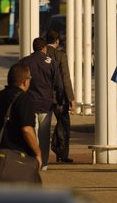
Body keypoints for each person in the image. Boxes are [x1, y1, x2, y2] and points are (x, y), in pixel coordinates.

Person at [0, 62, 42, 182]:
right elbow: (27, 130)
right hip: (20, 159)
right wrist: (38, 153)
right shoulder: (24, 99)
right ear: (25, 81)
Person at [19, 37, 64, 170]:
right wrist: (60, 102)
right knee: (44, 136)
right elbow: (59, 85)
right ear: (44, 48)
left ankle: (32, 160)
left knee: (31, 134)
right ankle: (43, 163)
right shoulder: (52, 63)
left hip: (29, 104)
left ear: (33, 48)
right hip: (46, 104)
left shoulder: (24, 62)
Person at [45, 29, 76, 163]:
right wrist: (71, 98)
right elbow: (65, 78)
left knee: (43, 125)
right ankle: (61, 153)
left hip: (44, 95)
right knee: (63, 123)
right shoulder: (61, 55)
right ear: (57, 41)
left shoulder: (42, 54)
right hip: (59, 97)